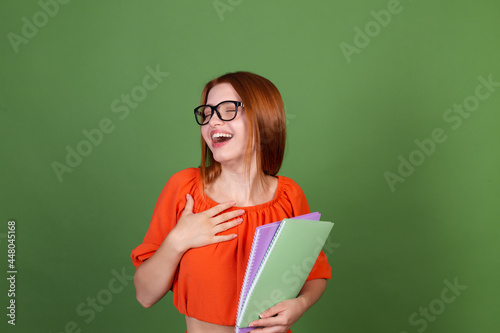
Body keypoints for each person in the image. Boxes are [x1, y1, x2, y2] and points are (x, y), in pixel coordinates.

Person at [131, 71, 331, 333]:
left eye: (228, 110)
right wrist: (177, 240)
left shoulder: (289, 195)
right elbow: (145, 296)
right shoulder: (185, 189)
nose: (213, 122)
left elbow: (314, 273)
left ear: (264, 118)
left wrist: (300, 305)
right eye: (208, 113)